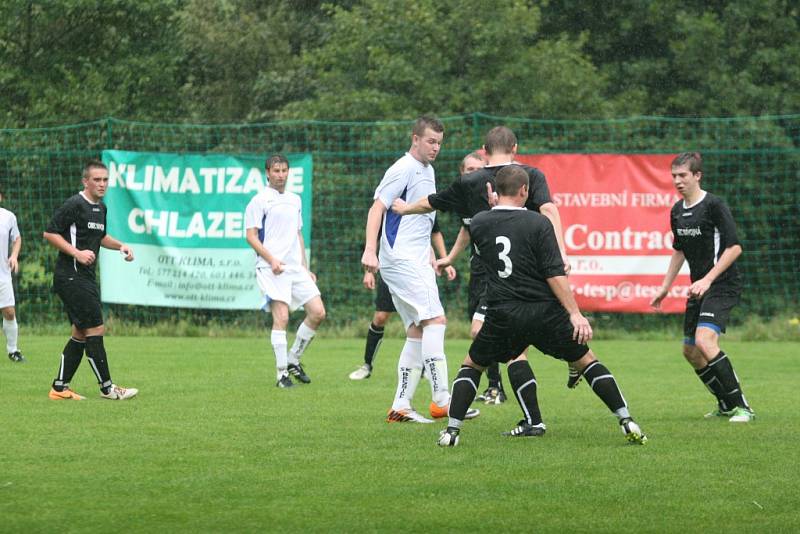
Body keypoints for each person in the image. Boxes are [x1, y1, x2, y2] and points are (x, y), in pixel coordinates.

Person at [436, 165, 647, 447]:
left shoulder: (479, 223)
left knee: (472, 365)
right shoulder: (539, 223)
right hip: (544, 313)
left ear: (495, 192)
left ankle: (451, 432)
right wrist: (574, 313)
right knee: (587, 361)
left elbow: (490, 237)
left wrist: (489, 210)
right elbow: (554, 274)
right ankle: (626, 420)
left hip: (503, 314)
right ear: (525, 190)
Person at [392, 126, 581, 401]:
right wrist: (561, 252)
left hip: (500, 275)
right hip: (519, 271)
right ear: (515, 147)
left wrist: (405, 208)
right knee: (523, 336)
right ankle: (547, 378)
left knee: (501, 339)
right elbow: (547, 209)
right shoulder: (530, 175)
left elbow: (432, 202)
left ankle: (507, 401)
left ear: (484, 149)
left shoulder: (472, 182)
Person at [361, 115, 478, 424]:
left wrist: (430, 254)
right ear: (415, 139)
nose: (435, 147)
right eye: (430, 141)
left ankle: (401, 405)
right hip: (401, 260)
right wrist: (370, 250)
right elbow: (377, 208)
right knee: (436, 320)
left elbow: (420, 218)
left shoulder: (429, 170)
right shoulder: (402, 168)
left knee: (417, 328)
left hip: (415, 258)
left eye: (439, 142)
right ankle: (442, 398)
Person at [651, 152, 754, 423]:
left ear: (697, 176)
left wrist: (708, 279)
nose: (677, 181)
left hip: (721, 284)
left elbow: (734, 248)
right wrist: (665, 287)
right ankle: (724, 404)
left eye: (683, 175)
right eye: (674, 176)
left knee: (705, 341)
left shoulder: (714, 205)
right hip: (699, 288)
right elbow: (679, 251)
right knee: (691, 352)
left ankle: (742, 406)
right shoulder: (677, 211)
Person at [43, 160, 138, 400]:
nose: (102, 184)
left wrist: (121, 246)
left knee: (81, 333)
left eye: (105, 180)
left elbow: (101, 236)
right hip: (71, 276)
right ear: (86, 181)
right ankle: (108, 388)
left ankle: (59, 388)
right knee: (95, 327)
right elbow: (49, 232)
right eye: (97, 179)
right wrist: (76, 253)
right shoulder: (75, 204)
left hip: (84, 277)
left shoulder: (101, 208)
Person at [245, 154, 326, 388]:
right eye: (276, 171)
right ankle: (281, 374)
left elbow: (298, 234)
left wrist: (305, 266)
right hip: (271, 269)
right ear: (267, 173)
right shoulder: (259, 201)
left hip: (294, 268)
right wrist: (272, 260)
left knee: (318, 312)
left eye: (284, 171)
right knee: (282, 318)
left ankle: (293, 359)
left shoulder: (295, 199)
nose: (281, 175)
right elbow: (251, 236)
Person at [348, 219, 456, 380]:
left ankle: (426, 369)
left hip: (418, 269)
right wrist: (369, 271)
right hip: (392, 267)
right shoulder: (389, 205)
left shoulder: (424, 204)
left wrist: (446, 260)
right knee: (380, 317)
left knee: (424, 320)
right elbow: (374, 237)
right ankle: (367, 365)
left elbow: (435, 232)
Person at [0, 189, 24, 363]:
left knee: (9, 311)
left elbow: (17, 239)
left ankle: (13, 350)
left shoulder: (8, 217)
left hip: (2, 273)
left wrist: (14, 256)